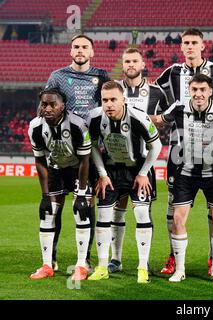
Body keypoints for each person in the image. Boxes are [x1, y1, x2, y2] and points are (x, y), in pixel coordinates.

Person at [156, 28, 213, 276]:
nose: (190, 46)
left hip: (211, 151)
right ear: (181, 47)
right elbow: (152, 94)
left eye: (194, 42)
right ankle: (173, 257)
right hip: (177, 152)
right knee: (174, 206)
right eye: (186, 43)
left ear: (203, 45)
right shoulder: (172, 73)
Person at [45, 34, 110, 271]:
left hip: (90, 152)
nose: (80, 50)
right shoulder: (58, 76)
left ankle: (86, 258)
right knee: (55, 206)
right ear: (70, 51)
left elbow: (110, 105)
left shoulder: (102, 76)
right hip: (62, 151)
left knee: (85, 205)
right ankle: (50, 258)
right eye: (76, 47)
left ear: (92, 52)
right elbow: (44, 108)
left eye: (84, 47)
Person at [87, 81, 162, 283]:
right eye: (105, 100)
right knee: (104, 213)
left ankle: (142, 267)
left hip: (138, 170)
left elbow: (156, 145)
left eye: (113, 99)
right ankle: (103, 266)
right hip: (111, 170)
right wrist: (102, 174)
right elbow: (92, 146)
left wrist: (144, 172)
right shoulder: (94, 117)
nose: (109, 104)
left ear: (123, 100)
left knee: (140, 212)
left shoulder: (138, 117)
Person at [107, 48, 169, 274]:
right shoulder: (113, 89)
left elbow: (169, 116)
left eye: (134, 61)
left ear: (143, 65)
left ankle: (145, 262)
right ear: (123, 65)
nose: (130, 65)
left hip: (143, 161)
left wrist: (155, 121)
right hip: (116, 161)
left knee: (142, 211)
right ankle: (116, 259)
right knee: (117, 210)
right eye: (126, 61)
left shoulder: (156, 92)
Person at [28, 88, 92, 281]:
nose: (47, 108)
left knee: (80, 211)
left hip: (78, 170)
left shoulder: (77, 125)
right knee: (47, 213)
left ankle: (81, 266)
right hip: (55, 168)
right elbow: (40, 161)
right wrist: (45, 195)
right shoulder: (35, 127)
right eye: (44, 104)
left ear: (63, 106)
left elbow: (84, 160)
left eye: (52, 104)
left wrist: (81, 193)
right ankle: (47, 265)